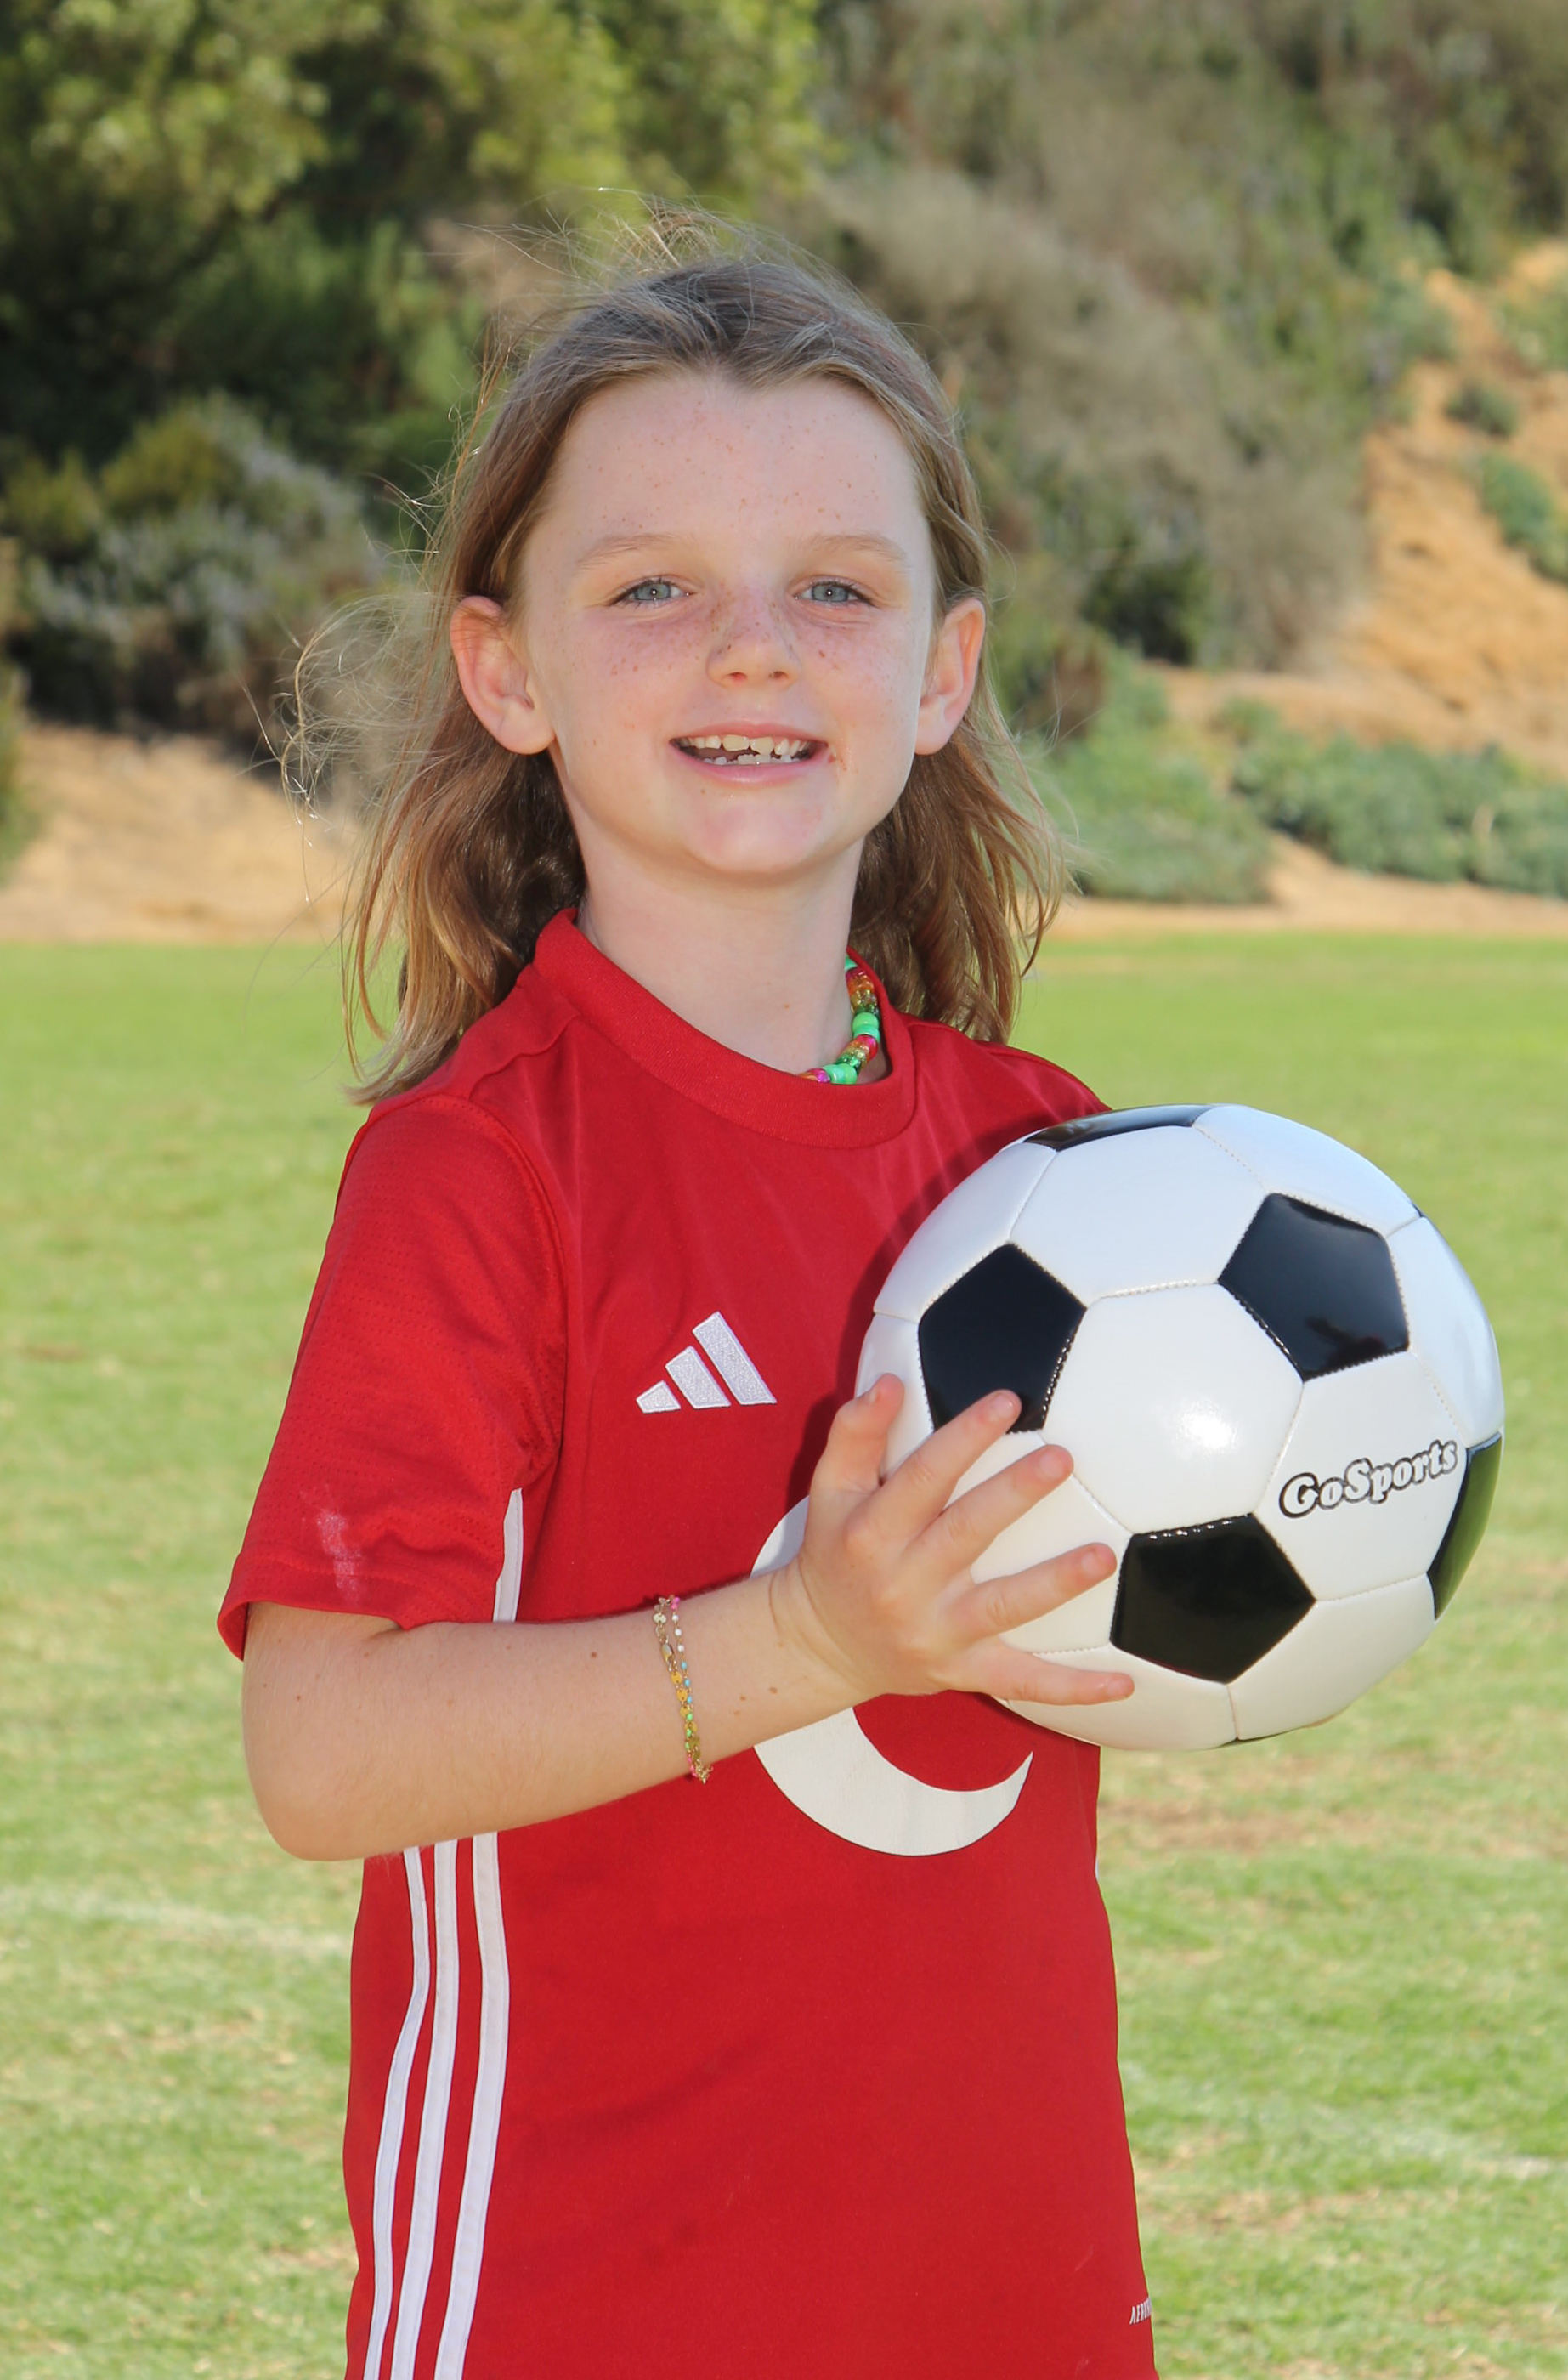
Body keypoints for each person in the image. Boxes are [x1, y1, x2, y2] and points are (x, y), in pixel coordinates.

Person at [223, 245, 1160, 2380]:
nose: (754, 643)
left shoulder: (1054, 1166)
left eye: (836, 585)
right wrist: (811, 1636)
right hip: (592, 2295)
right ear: (506, 668)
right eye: (651, 586)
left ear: (942, 670)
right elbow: (321, 1749)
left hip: (1009, 2287)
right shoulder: (485, 1170)